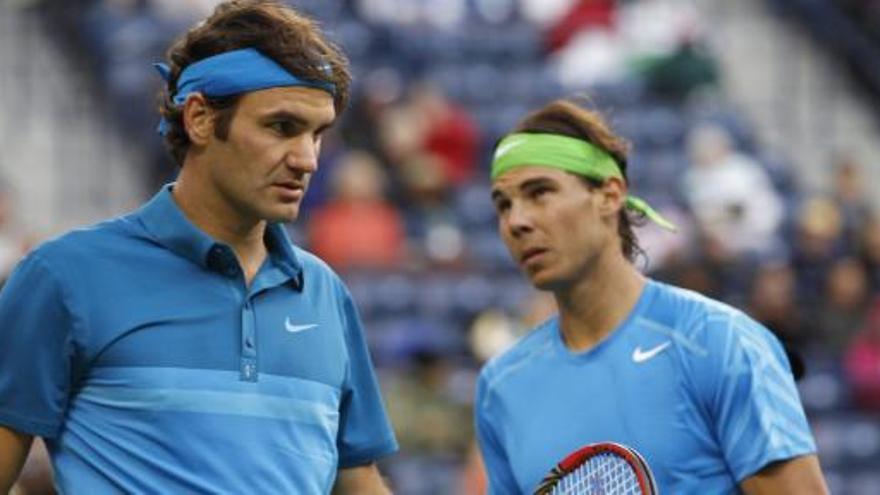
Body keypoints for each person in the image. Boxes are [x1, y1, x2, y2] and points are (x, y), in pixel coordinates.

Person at [0, 1, 397, 493]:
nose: (308, 159)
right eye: (282, 127)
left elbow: (358, 478)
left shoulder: (326, 294)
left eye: (318, 134)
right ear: (201, 119)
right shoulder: (62, 277)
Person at [474, 99, 829, 494]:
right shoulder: (501, 387)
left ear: (609, 195)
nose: (516, 221)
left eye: (540, 192)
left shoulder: (719, 342)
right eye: (503, 205)